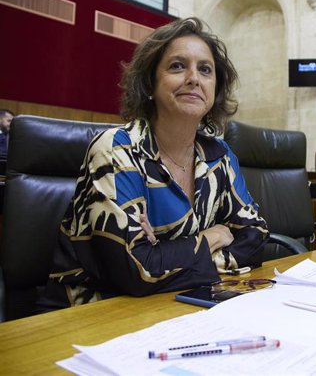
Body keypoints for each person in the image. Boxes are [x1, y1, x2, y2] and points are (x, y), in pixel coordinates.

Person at [39, 17, 269, 310]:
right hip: (89, 315)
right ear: (149, 83)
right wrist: (212, 236)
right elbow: (136, 271)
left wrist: (163, 254)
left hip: (175, 306)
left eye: (205, 69)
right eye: (177, 66)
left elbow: (255, 237)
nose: (193, 78)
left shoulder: (219, 155)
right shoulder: (117, 150)